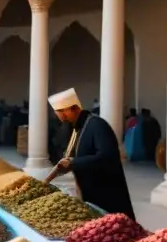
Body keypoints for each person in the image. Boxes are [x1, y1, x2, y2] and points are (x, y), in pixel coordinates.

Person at [47, 87, 136, 220]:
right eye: (58, 112)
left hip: (106, 191)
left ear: (74, 108)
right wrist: (48, 179)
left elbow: (107, 157)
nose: (60, 116)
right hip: (90, 190)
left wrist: (73, 162)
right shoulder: (78, 127)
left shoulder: (96, 125)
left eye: (61, 111)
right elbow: (69, 158)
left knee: (115, 228)